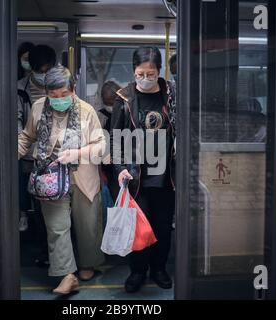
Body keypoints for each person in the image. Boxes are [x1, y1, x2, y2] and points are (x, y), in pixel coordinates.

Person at [18, 65, 106, 295]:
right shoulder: (38, 108)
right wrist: (10, 155)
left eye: (64, 95)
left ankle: (88, 264)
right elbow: (27, 136)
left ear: (73, 89)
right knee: (57, 228)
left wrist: (76, 153)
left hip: (83, 176)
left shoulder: (87, 111)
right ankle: (67, 275)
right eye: (53, 96)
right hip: (50, 179)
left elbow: (101, 146)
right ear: (46, 93)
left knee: (87, 225)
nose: (58, 100)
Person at [111, 47, 176, 293]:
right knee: (137, 226)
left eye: (151, 73)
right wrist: (119, 168)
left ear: (160, 71)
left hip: (166, 175)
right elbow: (115, 138)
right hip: (135, 175)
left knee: (161, 226)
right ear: (133, 71)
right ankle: (138, 271)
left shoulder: (172, 94)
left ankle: (159, 268)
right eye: (141, 73)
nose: (146, 78)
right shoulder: (124, 97)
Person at [17, 45, 57, 268]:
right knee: (40, 208)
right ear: (31, 69)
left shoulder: (61, 85)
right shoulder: (21, 90)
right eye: (40, 70)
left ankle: (55, 251)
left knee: (57, 208)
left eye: (48, 69)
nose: (45, 74)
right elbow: (18, 126)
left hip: (57, 158)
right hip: (31, 158)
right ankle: (45, 250)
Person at [97, 80, 122, 200]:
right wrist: (100, 171)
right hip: (108, 169)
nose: (110, 107)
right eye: (107, 103)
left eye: (113, 103)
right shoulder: (101, 117)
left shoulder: (127, 112)